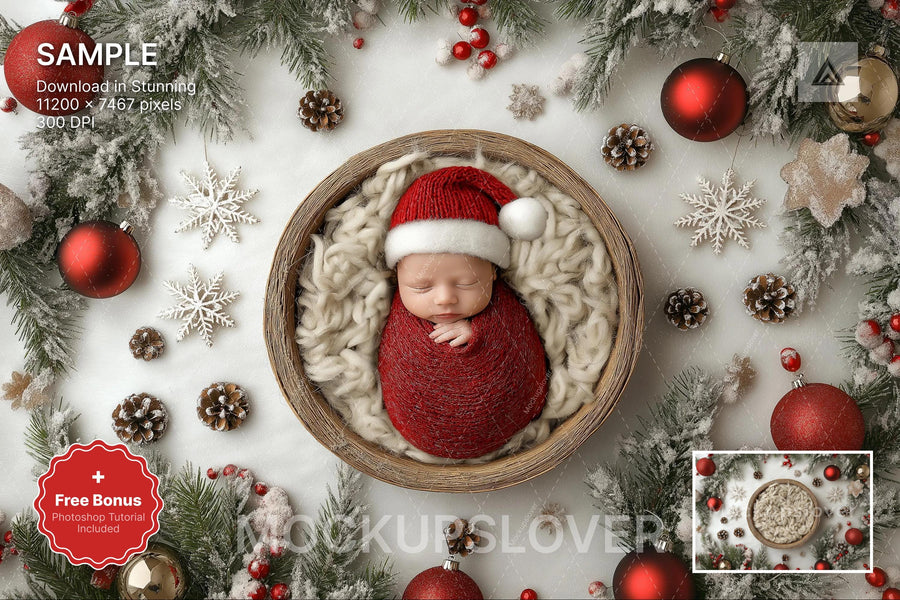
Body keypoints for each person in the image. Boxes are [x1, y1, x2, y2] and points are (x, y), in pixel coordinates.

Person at [378, 166, 549, 459]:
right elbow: (395, 361)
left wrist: (481, 333)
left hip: (508, 413)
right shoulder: (399, 319)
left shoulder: (505, 308)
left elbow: (519, 341)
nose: (445, 298)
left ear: (493, 273)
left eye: (466, 283)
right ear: (397, 279)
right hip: (419, 428)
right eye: (421, 287)